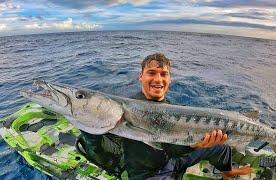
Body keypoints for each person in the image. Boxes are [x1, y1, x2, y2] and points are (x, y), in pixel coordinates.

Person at [78, 53, 252, 179]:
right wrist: (88, 125)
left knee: (221, 147)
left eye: (164, 74)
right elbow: (100, 150)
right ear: (140, 76)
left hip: (172, 160)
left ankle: (228, 173)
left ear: (170, 79)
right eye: (151, 73)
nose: (158, 79)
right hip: (147, 174)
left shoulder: (170, 106)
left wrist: (195, 145)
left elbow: (173, 151)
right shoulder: (124, 110)